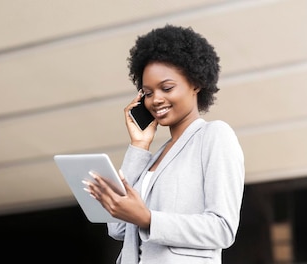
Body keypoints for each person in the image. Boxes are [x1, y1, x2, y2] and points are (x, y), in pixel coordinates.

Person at [85, 24, 245, 264]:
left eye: (166, 88)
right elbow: (116, 228)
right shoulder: (153, 158)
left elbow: (222, 228)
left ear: (196, 83)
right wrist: (139, 147)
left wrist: (150, 219)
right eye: (147, 93)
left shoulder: (214, 136)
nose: (156, 99)